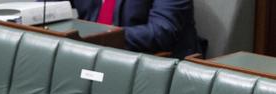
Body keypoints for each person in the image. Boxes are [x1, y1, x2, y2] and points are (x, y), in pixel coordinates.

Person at [68, 0, 205, 58]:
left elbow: (162, 32)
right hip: (88, 54)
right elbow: (48, 9)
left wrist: (103, 38)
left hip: (149, 63)